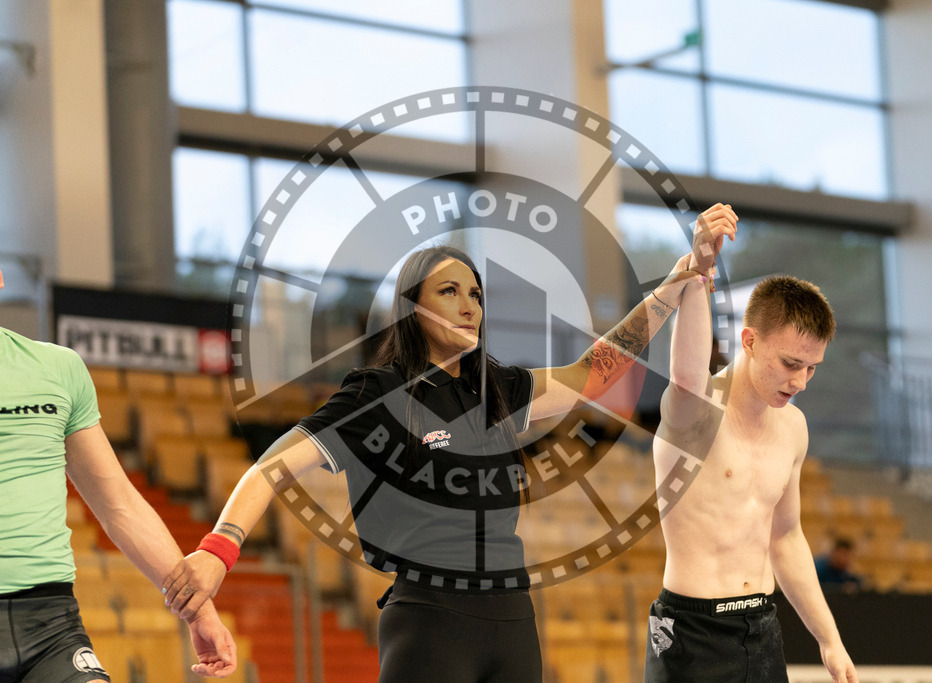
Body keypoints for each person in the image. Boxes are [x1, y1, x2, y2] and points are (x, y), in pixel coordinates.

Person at [161, 225, 732, 682]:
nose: (469, 307)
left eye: (476, 295)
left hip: (512, 614)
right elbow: (271, 468)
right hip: (428, 620)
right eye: (450, 292)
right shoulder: (374, 393)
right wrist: (219, 550)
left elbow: (595, 373)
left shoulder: (501, 390)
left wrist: (670, 290)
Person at [0, 198, 236, 682]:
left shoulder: (58, 368)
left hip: (51, 625)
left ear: (1, 272)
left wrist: (200, 611)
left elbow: (119, 507)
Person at [646, 203, 857, 682]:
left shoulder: (794, 429)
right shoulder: (696, 412)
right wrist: (699, 264)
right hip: (691, 632)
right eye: (789, 364)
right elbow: (685, 375)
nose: (800, 381)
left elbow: (785, 537)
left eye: (811, 368)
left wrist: (830, 638)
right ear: (749, 340)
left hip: (761, 630)